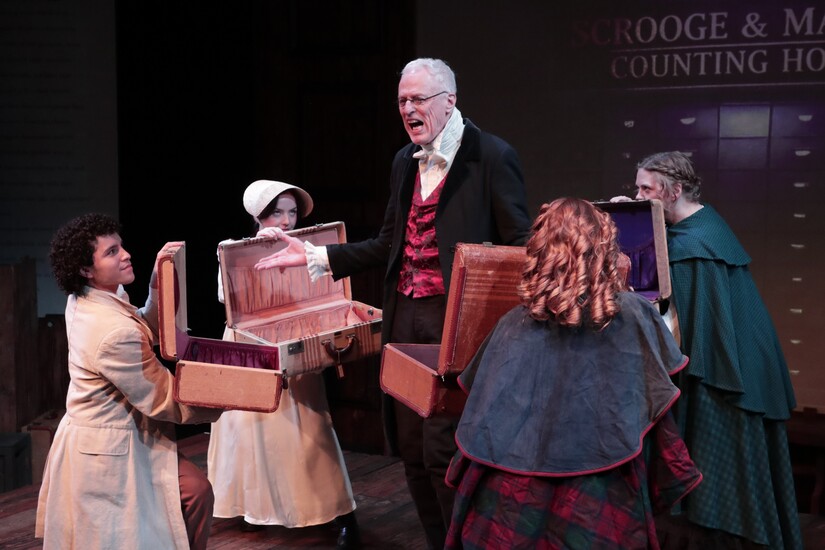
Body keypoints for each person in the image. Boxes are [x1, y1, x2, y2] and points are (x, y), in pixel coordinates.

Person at [253, 58, 532, 549]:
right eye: (402, 100)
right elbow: (389, 243)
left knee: (444, 449)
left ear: (449, 100)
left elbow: (520, 246)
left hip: (456, 324)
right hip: (405, 316)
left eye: (418, 99)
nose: (407, 109)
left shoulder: (491, 156)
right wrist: (316, 256)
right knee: (410, 449)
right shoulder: (405, 160)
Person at [443, 197, 702, 549]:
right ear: (605, 249)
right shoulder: (634, 314)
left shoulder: (511, 323)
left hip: (511, 505)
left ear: (539, 251)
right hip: (599, 501)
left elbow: (481, 406)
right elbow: (660, 414)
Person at [629, 152, 802, 549]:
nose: (638, 196)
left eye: (645, 189)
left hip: (726, 373)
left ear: (674, 191)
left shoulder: (694, 244)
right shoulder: (701, 230)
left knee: (720, 469)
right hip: (735, 360)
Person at [35, 213, 222, 550]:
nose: (126, 255)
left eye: (120, 247)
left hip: (113, 433)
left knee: (195, 492)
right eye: (111, 252)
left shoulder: (90, 297)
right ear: (86, 269)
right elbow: (165, 398)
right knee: (141, 527)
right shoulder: (110, 331)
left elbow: (141, 329)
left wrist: (157, 288)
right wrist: (230, 396)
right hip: (108, 449)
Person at [207, 179, 361, 549]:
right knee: (249, 431)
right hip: (248, 345)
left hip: (293, 341)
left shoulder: (307, 249)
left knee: (308, 430)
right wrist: (252, 258)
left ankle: (338, 511)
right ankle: (252, 509)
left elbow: (323, 290)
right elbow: (227, 298)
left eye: (291, 213)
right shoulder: (234, 250)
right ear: (259, 216)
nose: (287, 220)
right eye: (278, 212)